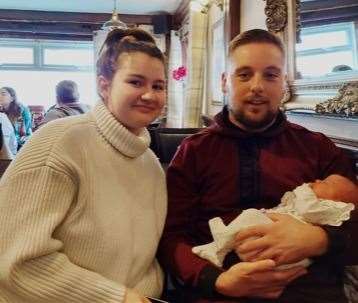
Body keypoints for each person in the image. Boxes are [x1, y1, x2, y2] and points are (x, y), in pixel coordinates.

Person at [158, 29, 357, 303]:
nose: (257, 86)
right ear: (225, 82)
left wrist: (319, 240)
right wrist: (218, 281)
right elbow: (171, 238)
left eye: (271, 75)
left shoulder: (319, 148)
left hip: (309, 292)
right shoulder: (194, 152)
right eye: (244, 74)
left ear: (283, 84)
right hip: (219, 292)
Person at [0, 28, 167, 303]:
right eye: (136, 82)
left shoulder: (151, 164)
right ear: (104, 85)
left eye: (158, 86)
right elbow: (15, 261)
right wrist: (118, 298)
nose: (149, 95)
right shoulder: (58, 142)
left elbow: (143, 262)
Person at [193, 174, 357, 268]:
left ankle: (221, 243)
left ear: (336, 202)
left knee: (250, 214)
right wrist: (213, 280)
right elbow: (171, 233)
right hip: (229, 271)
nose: (317, 180)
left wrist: (323, 240)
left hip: (296, 264)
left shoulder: (324, 207)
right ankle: (218, 248)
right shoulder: (195, 148)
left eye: (325, 183)